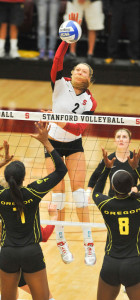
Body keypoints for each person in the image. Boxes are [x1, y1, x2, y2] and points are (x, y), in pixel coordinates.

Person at [44, 12, 97, 266]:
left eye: (83, 71)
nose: (78, 72)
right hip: (52, 143)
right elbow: (56, 60)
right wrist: (66, 37)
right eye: (76, 68)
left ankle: (89, 245)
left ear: (88, 79)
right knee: (58, 198)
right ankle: (62, 243)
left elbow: (78, 130)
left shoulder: (90, 101)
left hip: (74, 146)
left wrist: (58, 119)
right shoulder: (59, 83)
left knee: (78, 198)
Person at [0, 121, 67, 300]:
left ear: (6, 179)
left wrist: (2, 163)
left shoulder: (1, 195)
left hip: (8, 252)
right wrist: (46, 142)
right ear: (23, 178)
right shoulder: (33, 191)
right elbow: (61, 170)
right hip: (31, 252)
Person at [92, 148, 140, 300]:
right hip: (134, 263)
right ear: (132, 186)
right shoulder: (138, 203)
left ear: (113, 188)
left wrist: (107, 169)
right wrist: (136, 168)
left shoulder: (105, 204)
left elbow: (96, 192)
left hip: (111, 263)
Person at [87, 128, 140, 199]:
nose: (121, 139)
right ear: (115, 141)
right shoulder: (108, 159)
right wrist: (88, 192)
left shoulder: (136, 159)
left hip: (132, 198)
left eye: (124, 137)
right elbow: (96, 175)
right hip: (113, 199)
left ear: (130, 141)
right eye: (118, 137)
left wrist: (137, 188)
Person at [104, 0, 139, 65]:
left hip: (133, 4)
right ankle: (111, 55)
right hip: (117, 4)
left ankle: (135, 57)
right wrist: (107, 7)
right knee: (114, 31)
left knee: (134, 32)